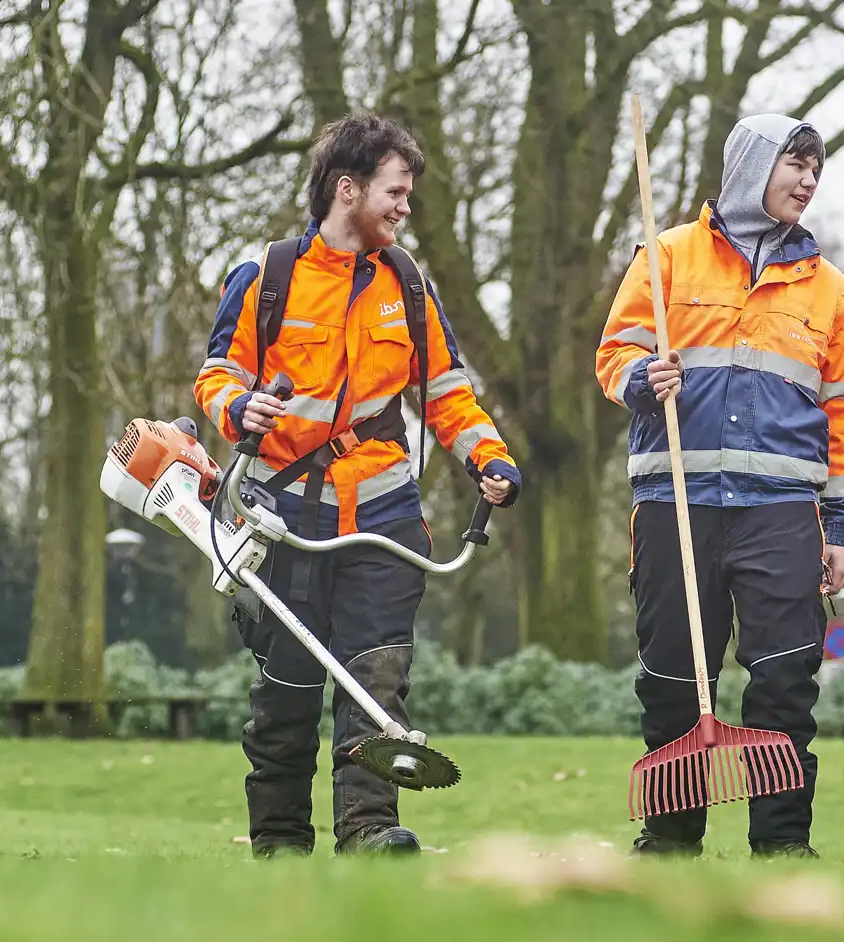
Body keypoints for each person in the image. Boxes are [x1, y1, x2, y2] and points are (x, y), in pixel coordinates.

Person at [194, 114, 520, 857]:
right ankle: (279, 843)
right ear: (349, 189)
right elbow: (216, 376)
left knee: (378, 677)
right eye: (395, 192)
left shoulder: (405, 282)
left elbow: (447, 393)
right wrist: (239, 407)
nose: (406, 207)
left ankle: (370, 831)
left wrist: (489, 460)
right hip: (281, 517)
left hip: (383, 513)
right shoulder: (266, 277)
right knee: (288, 690)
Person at [595, 114, 844, 859]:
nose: (809, 181)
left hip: (782, 515)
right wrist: (639, 380)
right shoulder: (666, 257)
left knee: (785, 681)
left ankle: (782, 844)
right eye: (797, 165)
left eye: (817, 169)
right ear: (752, 166)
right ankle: (669, 839)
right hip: (673, 504)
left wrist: (842, 528)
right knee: (671, 680)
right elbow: (614, 353)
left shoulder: (832, 290)